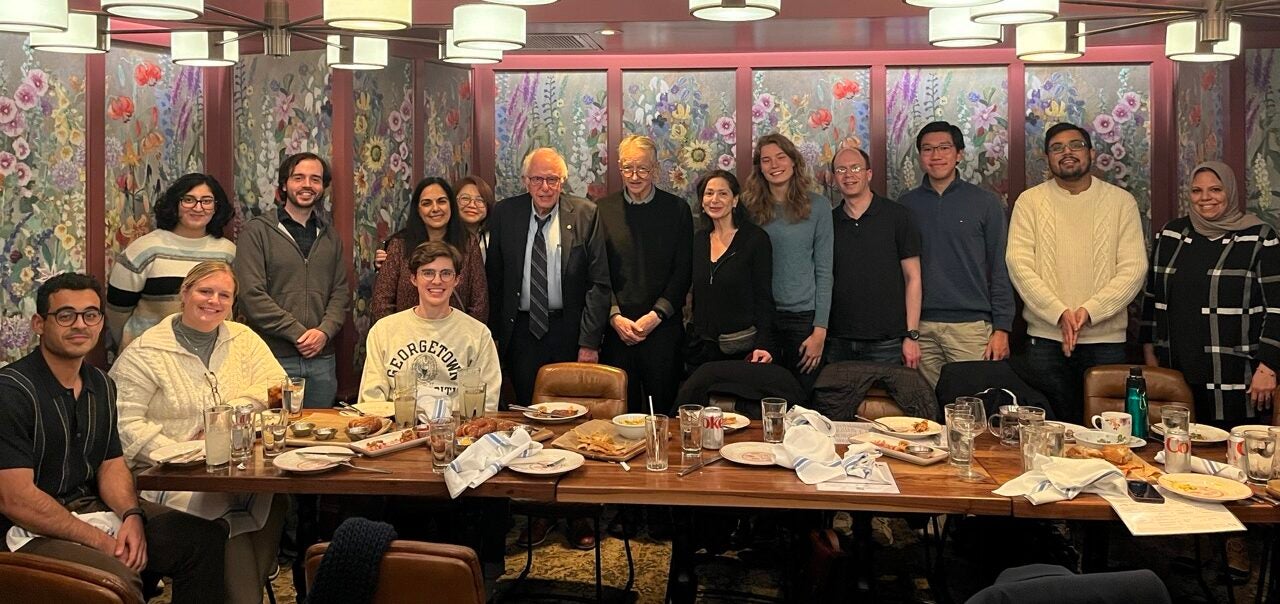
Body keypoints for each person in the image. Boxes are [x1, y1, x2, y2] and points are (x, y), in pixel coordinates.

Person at [0, 273, 226, 603]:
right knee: (115, 578)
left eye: (90, 315)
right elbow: (15, 500)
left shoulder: (101, 385)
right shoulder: (12, 392)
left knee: (202, 539)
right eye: (65, 315)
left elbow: (112, 466)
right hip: (22, 531)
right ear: (39, 323)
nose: (80, 325)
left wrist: (132, 516)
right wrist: (101, 540)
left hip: (91, 510)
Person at [109, 261, 287, 604]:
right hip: (166, 475)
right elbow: (123, 424)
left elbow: (276, 385)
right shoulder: (146, 352)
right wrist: (181, 453)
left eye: (224, 295)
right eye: (205, 291)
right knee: (219, 506)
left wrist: (230, 415)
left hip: (234, 465)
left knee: (275, 498)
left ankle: (243, 595)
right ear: (184, 293)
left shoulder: (244, 339)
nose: (213, 301)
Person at [1007, 123, 1147, 421]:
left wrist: (1089, 311)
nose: (1067, 152)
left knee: (1109, 431)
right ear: (1047, 157)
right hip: (1044, 340)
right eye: (1057, 148)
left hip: (1106, 341)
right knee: (1049, 428)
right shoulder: (1029, 201)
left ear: (1091, 152)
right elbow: (1019, 264)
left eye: (1076, 145)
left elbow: (1134, 269)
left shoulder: (1121, 202)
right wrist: (1059, 312)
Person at [1142, 160, 1280, 427]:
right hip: (1175, 368)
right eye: (1197, 191)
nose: (1205, 198)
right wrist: (1150, 356)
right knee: (1172, 450)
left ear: (1229, 191)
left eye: (1215, 189)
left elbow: (1277, 309)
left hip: (1236, 374)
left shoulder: (1259, 237)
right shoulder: (1172, 234)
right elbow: (1152, 297)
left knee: (1230, 456)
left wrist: (1268, 367)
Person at [486, 147, 611, 407]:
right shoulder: (505, 214)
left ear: (562, 181)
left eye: (552, 179)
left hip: (568, 331)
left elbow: (597, 284)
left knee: (570, 409)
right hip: (521, 332)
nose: (545, 187)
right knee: (526, 406)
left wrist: (589, 343)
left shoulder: (585, 214)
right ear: (525, 181)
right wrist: (495, 335)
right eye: (537, 179)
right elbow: (494, 278)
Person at [899, 121, 1014, 387]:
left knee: (973, 407)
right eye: (927, 149)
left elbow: (1000, 267)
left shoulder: (985, 203)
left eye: (944, 148)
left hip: (970, 327)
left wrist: (1002, 328)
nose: (936, 155)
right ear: (920, 157)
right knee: (925, 409)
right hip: (921, 327)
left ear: (959, 154)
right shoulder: (905, 205)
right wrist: (908, 331)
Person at [234, 152, 350, 409]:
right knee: (274, 434)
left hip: (322, 360)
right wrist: (298, 334)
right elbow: (251, 295)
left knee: (322, 438)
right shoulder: (257, 232)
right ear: (284, 184)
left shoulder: (330, 237)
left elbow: (340, 293)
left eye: (315, 179)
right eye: (299, 178)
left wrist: (323, 332)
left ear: (323, 187)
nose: (307, 185)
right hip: (272, 359)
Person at [599, 135, 694, 412]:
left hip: (663, 331)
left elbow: (683, 271)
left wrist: (655, 317)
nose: (635, 175)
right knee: (618, 420)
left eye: (643, 168)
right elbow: (598, 271)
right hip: (617, 332)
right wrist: (615, 317)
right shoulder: (602, 210)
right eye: (628, 168)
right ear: (619, 167)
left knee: (661, 416)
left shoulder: (677, 210)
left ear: (655, 169)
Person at [741, 133, 834, 394]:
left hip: (803, 321)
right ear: (760, 168)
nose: (774, 165)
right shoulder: (747, 209)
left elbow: (825, 271)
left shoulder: (818, 207)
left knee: (803, 399)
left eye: (781, 157)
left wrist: (820, 331)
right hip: (761, 320)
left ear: (794, 161)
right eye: (766, 160)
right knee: (763, 398)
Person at [361, 241, 501, 411]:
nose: (437, 281)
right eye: (428, 273)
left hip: (457, 431)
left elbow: (486, 404)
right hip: (397, 430)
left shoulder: (478, 335)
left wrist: (440, 420)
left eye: (446, 273)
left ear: (457, 279)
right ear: (413, 278)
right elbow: (371, 401)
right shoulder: (382, 331)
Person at [106, 173, 237, 353]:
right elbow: (117, 311)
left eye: (206, 201)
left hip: (210, 355)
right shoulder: (145, 248)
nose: (198, 208)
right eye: (189, 200)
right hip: (149, 355)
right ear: (175, 204)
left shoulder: (228, 252)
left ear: (216, 207)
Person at [826, 146, 922, 367]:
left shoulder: (898, 216)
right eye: (841, 170)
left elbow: (913, 278)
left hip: (887, 341)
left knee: (885, 403)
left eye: (855, 168)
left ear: (869, 174)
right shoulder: (828, 223)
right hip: (838, 340)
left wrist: (911, 335)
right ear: (834, 178)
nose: (848, 175)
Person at [687, 169, 775, 369]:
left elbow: (764, 298)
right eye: (709, 194)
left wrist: (763, 343)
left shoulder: (755, 239)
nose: (714, 200)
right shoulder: (699, 240)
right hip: (700, 350)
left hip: (741, 349)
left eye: (723, 193)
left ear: (735, 200)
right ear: (702, 201)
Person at [371, 177, 488, 323]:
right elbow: (381, 303)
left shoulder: (468, 244)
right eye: (427, 203)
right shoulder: (399, 245)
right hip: (406, 340)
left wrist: (464, 337)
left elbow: (479, 303)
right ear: (418, 209)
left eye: (441, 201)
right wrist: (398, 337)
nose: (435, 208)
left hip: (457, 340)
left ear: (451, 205)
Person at [456, 175, 497, 263]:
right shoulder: (443, 238)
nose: (472, 205)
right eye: (465, 198)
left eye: (480, 200)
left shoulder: (494, 239)